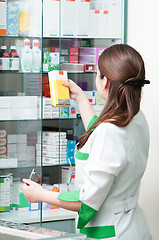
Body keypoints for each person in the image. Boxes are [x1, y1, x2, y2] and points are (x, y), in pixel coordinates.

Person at [23, 44, 152, 240]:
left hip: (112, 233)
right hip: (134, 227)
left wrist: (41, 195)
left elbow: (87, 202)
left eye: (98, 74)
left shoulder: (110, 131)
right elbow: (101, 132)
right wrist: (80, 97)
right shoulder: (136, 117)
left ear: (106, 82)